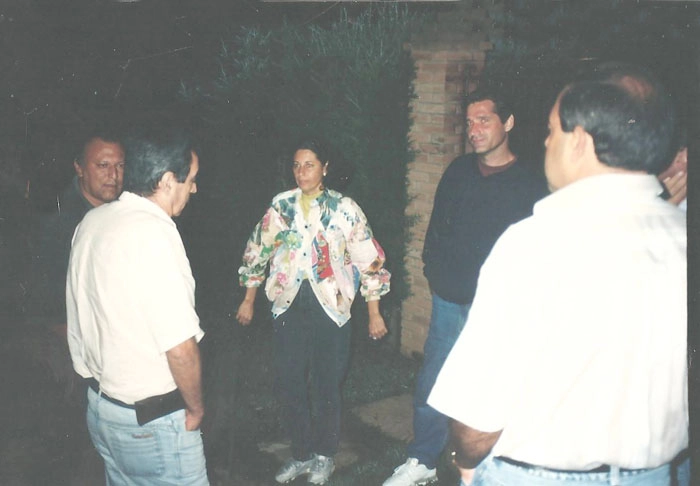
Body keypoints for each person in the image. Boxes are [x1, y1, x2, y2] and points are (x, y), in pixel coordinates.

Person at [428, 63, 688, 486]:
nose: (546, 142)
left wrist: (463, 462)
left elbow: (477, 419)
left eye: (552, 131)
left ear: (580, 141)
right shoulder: (681, 236)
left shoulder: (536, 243)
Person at [383, 88, 547, 486]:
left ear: (507, 123)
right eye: (470, 122)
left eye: (484, 120)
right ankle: (422, 459)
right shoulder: (458, 171)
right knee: (434, 382)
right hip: (451, 302)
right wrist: (434, 271)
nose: (474, 130)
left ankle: (491, 468)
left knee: (498, 388)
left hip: (502, 310)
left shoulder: (531, 183)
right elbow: (437, 228)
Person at [236, 137, 391, 485]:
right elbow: (256, 252)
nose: (301, 171)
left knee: (326, 386)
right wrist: (248, 299)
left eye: (309, 164)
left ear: (325, 168)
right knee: (290, 382)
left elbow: (371, 261)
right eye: (296, 164)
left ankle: (325, 455)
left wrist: (374, 312)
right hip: (288, 304)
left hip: (331, 309)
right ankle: (300, 453)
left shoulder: (344, 208)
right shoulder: (281, 206)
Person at [66, 127, 209, 485]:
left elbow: (78, 319)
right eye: (190, 179)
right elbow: (180, 347)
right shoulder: (154, 234)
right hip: (151, 423)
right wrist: (195, 408)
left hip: (102, 410)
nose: (193, 188)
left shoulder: (94, 220)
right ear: (166, 181)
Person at [32, 128, 125, 329]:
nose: (113, 175)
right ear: (79, 167)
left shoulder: (128, 212)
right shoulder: (59, 223)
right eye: (103, 165)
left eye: (120, 165)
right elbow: (50, 308)